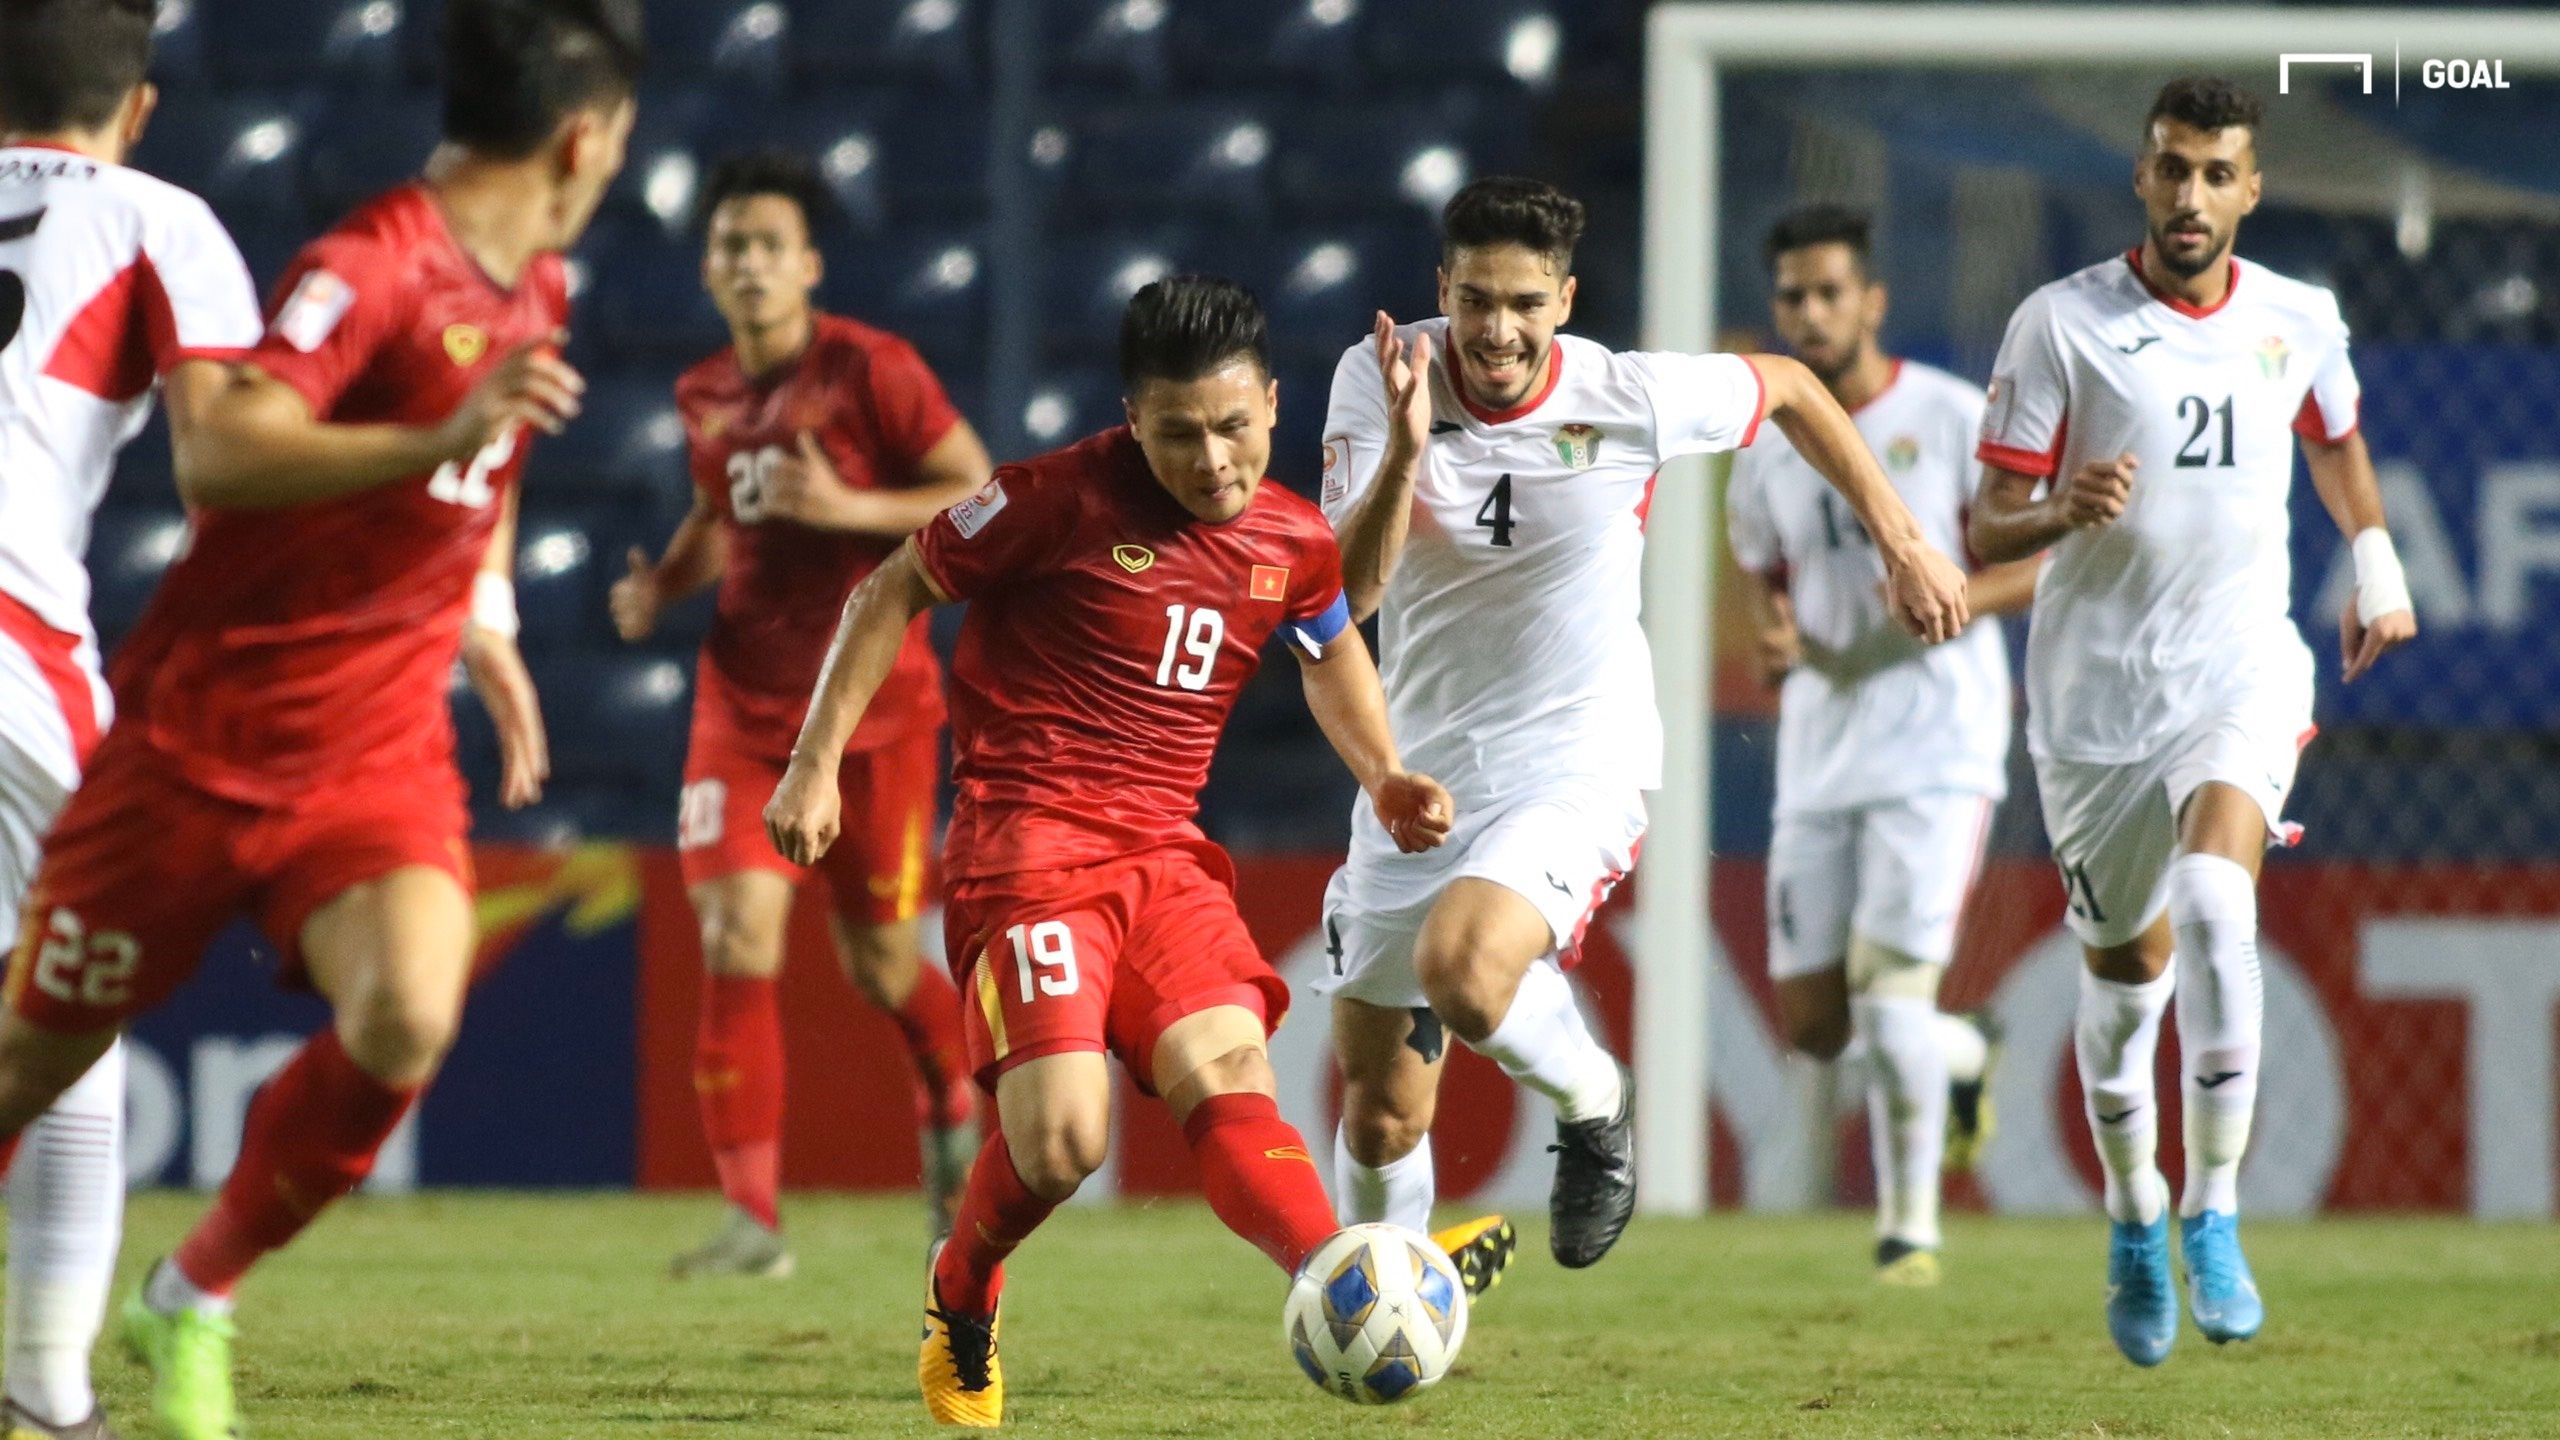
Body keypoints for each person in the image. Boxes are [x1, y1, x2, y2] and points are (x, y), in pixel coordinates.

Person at [0, 2, 643, 1434]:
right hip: (194, 739)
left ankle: (193, 1293)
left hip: (374, 747)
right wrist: (438, 436)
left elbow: (500, 443)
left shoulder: (537, 282)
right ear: (586, 137)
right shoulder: (365, 267)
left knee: (413, 1003)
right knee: (30, 1062)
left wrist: (487, 616)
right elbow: (226, 450)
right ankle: (49, 1381)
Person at [764, 276, 1453, 1428]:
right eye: (1178, 435)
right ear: (1133, 421)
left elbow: (1329, 649)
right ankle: (962, 1286)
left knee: (1232, 1075)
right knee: (1065, 1139)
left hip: (1167, 858)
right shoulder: (1047, 502)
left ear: (1272, 407)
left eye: (1234, 427)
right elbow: (891, 588)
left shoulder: (1288, 537)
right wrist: (813, 760)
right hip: (1025, 851)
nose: (1213, 460)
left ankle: (1338, 1274)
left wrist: (1382, 774)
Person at [1316, 176, 1971, 1277]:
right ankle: (1395, 1298)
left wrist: (1903, 542)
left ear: (1563, 301)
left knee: (1465, 972)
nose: (1497, 330)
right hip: (1417, 776)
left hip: (1576, 759)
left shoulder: (1627, 394)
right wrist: (1403, 448)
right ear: (1442, 290)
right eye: (1475, 299)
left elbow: (1799, 391)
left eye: (1524, 302)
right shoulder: (1377, 378)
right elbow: (1349, 595)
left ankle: (1595, 1101)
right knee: (1381, 1117)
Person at [1969, 77, 2416, 1366]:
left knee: (2222, 906)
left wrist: (2374, 554)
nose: (2191, 196)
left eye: (2217, 173)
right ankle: (2133, 1210)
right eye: (2172, 169)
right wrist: (2059, 510)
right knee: (2124, 980)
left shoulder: (2299, 318)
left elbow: (2331, 436)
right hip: (2092, 702)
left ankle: (2214, 1210)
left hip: (2238, 668)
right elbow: (1985, 523)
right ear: (2141, 177)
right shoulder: (2061, 326)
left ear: (2250, 189)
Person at [611, 151, 990, 1271]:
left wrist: (847, 504)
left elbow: (979, 490)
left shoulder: (875, 370)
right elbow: (716, 515)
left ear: (809, 265)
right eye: (730, 245)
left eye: (769, 245)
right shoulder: (704, 392)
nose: (749, 263)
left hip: (876, 712)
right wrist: (663, 584)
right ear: (711, 267)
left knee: (880, 967)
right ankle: (751, 1222)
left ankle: (949, 1111)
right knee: (734, 933)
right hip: (739, 704)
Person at [0, 2, 265, 1433]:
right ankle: (46, 1387)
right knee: (70, 1005)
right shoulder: (160, 218)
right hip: (14, 641)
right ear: (141, 106)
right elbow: (225, 461)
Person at [1727, 203, 2034, 1286]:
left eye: (1827, 293)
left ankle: (1909, 1232)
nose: (1808, 313)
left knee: (1891, 985)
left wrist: (1950, 587)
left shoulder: (1951, 418)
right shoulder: (1764, 445)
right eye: (1790, 298)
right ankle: (1962, 1052)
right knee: (1814, 1022)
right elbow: (1767, 583)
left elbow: (2043, 559)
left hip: (1938, 732)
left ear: (1871, 301)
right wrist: (1774, 640)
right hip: (1821, 732)